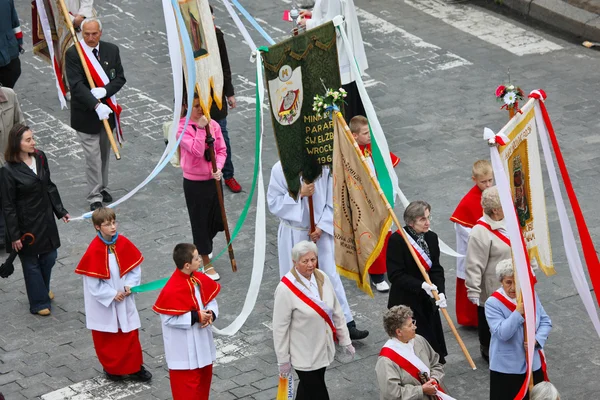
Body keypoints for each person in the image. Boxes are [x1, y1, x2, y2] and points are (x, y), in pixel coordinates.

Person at [267, 161, 369, 339]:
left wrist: (321, 226)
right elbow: (274, 203)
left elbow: (334, 199)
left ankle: (344, 323)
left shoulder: (324, 168)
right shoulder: (281, 169)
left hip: (320, 233)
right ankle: (300, 325)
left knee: (330, 276)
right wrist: (299, 194)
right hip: (295, 233)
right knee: (297, 279)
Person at [74, 207, 152, 382]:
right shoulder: (94, 250)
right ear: (97, 227)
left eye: (114, 222)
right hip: (106, 303)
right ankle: (112, 369)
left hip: (124, 297)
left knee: (130, 335)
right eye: (107, 224)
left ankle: (135, 368)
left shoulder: (123, 243)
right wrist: (110, 294)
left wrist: (129, 286)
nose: (113, 227)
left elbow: (134, 269)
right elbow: (93, 283)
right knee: (109, 338)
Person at [0, 124, 70, 316]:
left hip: (45, 218)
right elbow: (8, 205)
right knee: (30, 263)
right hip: (25, 225)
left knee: (50, 257)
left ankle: (42, 288)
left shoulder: (40, 157)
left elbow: (49, 185)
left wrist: (60, 211)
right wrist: (14, 235)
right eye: (28, 140)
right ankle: (39, 302)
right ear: (17, 143)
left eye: (33, 138)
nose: (33, 142)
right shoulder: (8, 171)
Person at [273, 241, 354, 400]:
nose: (310, 264)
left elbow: (336, 310)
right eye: (305, 261)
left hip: (322, 349)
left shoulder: (322, 277)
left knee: (307, 390)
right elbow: (279, 328)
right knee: (318, 393)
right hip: (302, 354)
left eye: (313, 259)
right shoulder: (285, 289)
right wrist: (283, 360)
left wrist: (345, 340)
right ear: (295, 262)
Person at [66, 17, 126, 211]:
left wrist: (105, 92)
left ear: (100, 33)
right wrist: (95, 105)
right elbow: (76, 85)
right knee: (93, 157)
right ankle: (94, 196)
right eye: (86, 34)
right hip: (86, 114)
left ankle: (102, 186)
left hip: (107, 111)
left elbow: (119, 78)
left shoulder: (112, 50)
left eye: (94, 34)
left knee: (104, 154)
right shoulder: (74, 53)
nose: (90, 38)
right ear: (82, 34)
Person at [153, 243, 220, 400]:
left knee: (203, 387)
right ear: (187, 265)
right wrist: (196, 317)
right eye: (197, 258)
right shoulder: (171, 289)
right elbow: (168, 318)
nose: (200, 260)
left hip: (202, 345)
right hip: (183, 353)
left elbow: (210, 300)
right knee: (186, 393)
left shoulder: (199, 278)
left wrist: (210, 314)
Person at [386, 200, 448, 363]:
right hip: (407, 303)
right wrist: (421, 285)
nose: (428, 222)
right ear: (411, 223)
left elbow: (436, 268)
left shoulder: (432, 238)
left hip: (427, 301)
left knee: (433, 347)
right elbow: (395, 275)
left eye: (428, 217)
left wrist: (440, 291)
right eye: (422, 219)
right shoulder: (397, 241)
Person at [486, 259, 552, 400]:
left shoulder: (530, 295)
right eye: (508, 282)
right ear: (501, 282)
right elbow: (502, 333)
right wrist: (518, 313)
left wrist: (536, 340)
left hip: (533, 362)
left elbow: (545, 321)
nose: (513, 287)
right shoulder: (492, 303)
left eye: (516, 282)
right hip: (507, 369)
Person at [177, 93, 226, 281]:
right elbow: (197, 151)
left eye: (202, 105)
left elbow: (221, 150)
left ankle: (206, 244)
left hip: (213, 179)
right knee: (200, 224)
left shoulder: (213, 125)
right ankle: (205, 260)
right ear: (187, 107)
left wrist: (219, 167)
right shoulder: (182, 127)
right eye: (196, 106)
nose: (199, 110)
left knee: (217, 220)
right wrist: (199, 129)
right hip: (194, 183)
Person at [349, 115, 400, 293]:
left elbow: (388, 166)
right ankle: (376, 275)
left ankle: (386, 269)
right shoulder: (350, 153)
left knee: (385, 234)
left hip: (381, 198)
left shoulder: (373, 148)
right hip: (363, 202)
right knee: (371, 236)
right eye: (365, 133)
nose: (369, 135)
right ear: (354, 135)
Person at [299, 0, 368, 120]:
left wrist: (309, 23)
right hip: (340, 55)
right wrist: (313, 14)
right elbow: (331, 13)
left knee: (346, 106)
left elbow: (332, 26)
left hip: (339, 57)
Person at [465, 186, 511, 362]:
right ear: (495, 210)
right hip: (493, 286)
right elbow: (474, 263)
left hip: (514, 281)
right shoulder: (480, 232)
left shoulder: (511, 220)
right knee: (490, 319)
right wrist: (473, 290)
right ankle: (487, 347)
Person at [376, 305, 455, 400]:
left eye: (413, 322)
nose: (415, 327)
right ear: (399, 332)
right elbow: (392, 393)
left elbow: (435, 363)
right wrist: (421, 390)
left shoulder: (418, 340)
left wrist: (435, 379)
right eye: (410, 325)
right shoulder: (386, 361)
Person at [449, 159, 493, 328]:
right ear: (474, 179)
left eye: (490, 180)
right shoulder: (468, 202)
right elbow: (463, 228)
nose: (488, 185)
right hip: (475, 250)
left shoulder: (493, 193)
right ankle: (471, 320)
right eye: (484, 182)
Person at [209, 5, 241, 193]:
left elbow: (225, 65)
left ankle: (228, 174)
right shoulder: (188, 39)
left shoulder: (217, 35)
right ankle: (207, 175)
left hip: (216, 95)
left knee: (222, 135)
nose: (212, 19)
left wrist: (229, 93)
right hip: (196, 97)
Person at [0, 85, 25, 248]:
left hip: (9, 159)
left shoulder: (9, 95)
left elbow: (20, 125)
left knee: (10, 198)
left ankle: (10, 235)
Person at [0, 0, 22, 88]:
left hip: (9, 50)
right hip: (8, 49)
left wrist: (19, 42)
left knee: (13, 72)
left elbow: (14, 22)